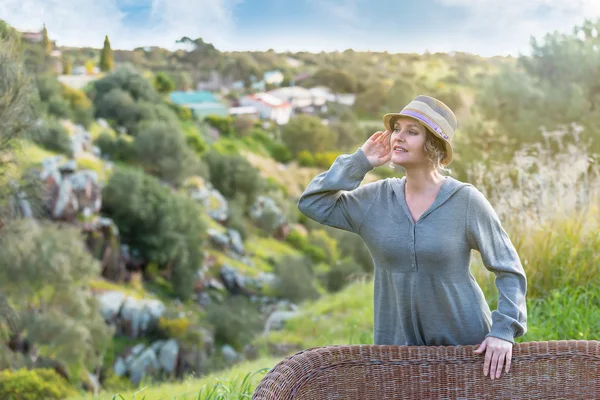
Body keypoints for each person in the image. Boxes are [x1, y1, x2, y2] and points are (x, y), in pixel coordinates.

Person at [297, 95, 527, 381]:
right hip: (397, 354)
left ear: (432, 145)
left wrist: (503, 331)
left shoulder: (466, 201)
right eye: (397, 129)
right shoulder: (375, 200)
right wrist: (359, 162)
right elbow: (312, 203)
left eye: (412, 132)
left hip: (469, 349)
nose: (398, 137)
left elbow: (509, 269)